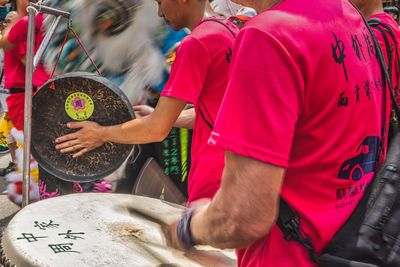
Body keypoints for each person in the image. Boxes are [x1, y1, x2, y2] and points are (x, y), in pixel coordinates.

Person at [161, 0, 390, 266]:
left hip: (287, 256)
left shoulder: (268, 35)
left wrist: (188, 227)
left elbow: (242, 217)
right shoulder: (345, 12)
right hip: (351, 248)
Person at [55, 0, 238, 203]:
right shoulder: (226, 28)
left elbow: (157, 130)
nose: (159, 13)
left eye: (160, 3)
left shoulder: (195, 43)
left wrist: (100, 134)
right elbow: (218, 113)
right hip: (231, 170)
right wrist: (169, 117)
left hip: (213, 177)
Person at [0, 0, 50, 204]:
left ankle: (34, 193)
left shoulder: (31, 21)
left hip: (30, 91)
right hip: (36, 90)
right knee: (30, 144)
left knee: (30, 145)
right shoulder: (41, 19)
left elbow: (9, 45)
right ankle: (35, 190)